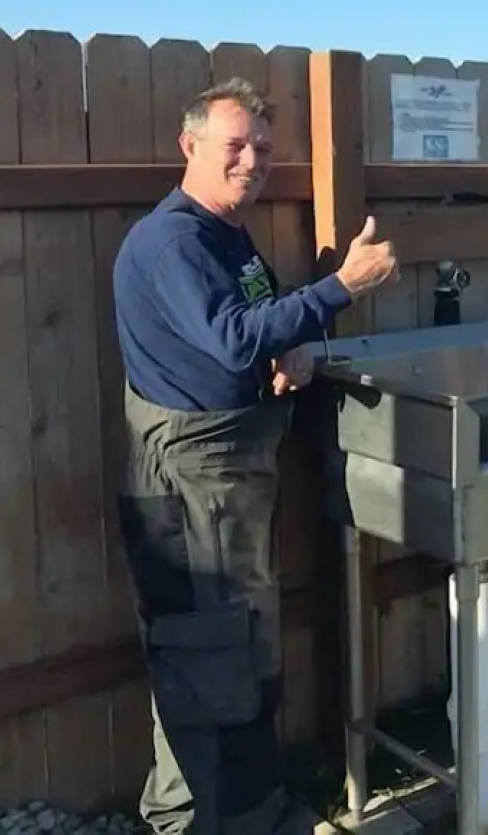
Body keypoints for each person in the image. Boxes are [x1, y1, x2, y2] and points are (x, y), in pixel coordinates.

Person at [111, 77, 398, 835]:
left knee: (226, 652)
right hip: (189, 485)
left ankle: (222, 812)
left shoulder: (227, 235)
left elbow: (255, 324)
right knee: (212, 655)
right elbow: (235, 336)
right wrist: (341, 287)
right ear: (191, 145)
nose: (251, 161)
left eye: (263, 148)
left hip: (232, 475)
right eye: (234, 145)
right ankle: (204, 823)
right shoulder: (172, 240)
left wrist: (297, 346)